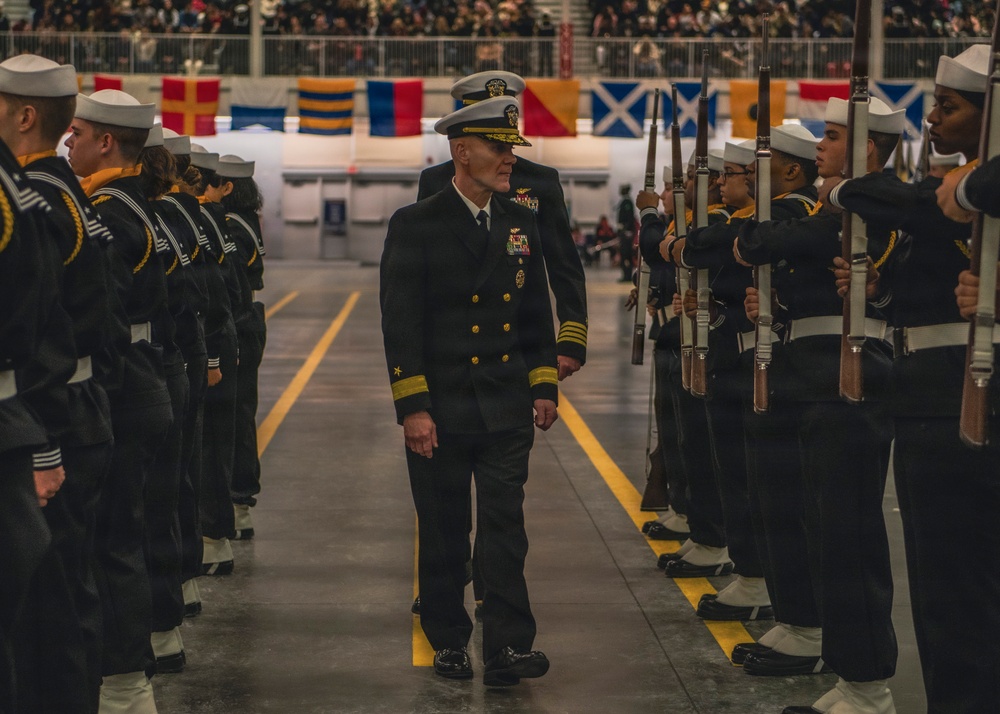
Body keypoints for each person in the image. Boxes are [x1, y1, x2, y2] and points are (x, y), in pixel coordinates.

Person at [827, 43, 1000, 712]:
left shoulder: (968, 186)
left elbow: (903, 200)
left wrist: (843, 188)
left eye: (949, 107)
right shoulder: (964, 182)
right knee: (944, 590)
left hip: (957, 396)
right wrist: (880, 293)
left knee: (958, 591)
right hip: (929, 391)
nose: (933, 119)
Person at [381, 95, 558, 686]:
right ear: (462, 151)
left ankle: (508, 646)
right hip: (444, 406)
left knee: (505, 528)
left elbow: (534, 313)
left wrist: (543, 383)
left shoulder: (520, 221)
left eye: (511, 148)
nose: (510, 159)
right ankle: (449, 638)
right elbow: (400, 324)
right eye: (498, 147)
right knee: (444, 529)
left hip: (505, 403)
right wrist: (414, 407)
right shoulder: (416, 224)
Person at [738, 97, 905, 714]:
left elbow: (768, 241)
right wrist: (776, 306)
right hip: (811, 372)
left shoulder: (873, 204)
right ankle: (828, 648)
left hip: (850, 375)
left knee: (847, 532)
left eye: (832, 137)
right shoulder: (835, 205)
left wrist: (767, 244)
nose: (819, 148)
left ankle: (867, 683)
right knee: (814, 522)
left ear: (866, 147)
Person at [0, 55, 116, 713]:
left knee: (48, 613)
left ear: (23, 115)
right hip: (72, 407)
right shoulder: (56, 194)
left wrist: (42, 444)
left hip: (42, 419)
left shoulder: (31, 197)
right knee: (65, 594)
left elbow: (43, 331)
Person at [66, 87, 173, 712]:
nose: (68, 141)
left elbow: (101, 322)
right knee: (121, 536)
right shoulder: (133, 203)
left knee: (110, 542)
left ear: (107, 142)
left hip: (122, 390)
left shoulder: (109, 212)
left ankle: (124, 684)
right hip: (142, 380)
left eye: (77, 133)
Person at [418, 71, 587, 381]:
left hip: (517, 339)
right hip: (455, 343)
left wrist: (571, 339)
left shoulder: (541, 182)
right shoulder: (435, 181)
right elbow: (424, 270)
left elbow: (564, 264)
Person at [219, 155, 266, 541]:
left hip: (238, 322)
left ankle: (236, 502)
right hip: (248, 319)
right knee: (241, 411)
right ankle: (239, 502)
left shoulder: (232, 227)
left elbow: (230, 288)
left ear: (227, 187)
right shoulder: (246, 219)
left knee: (232, 415)